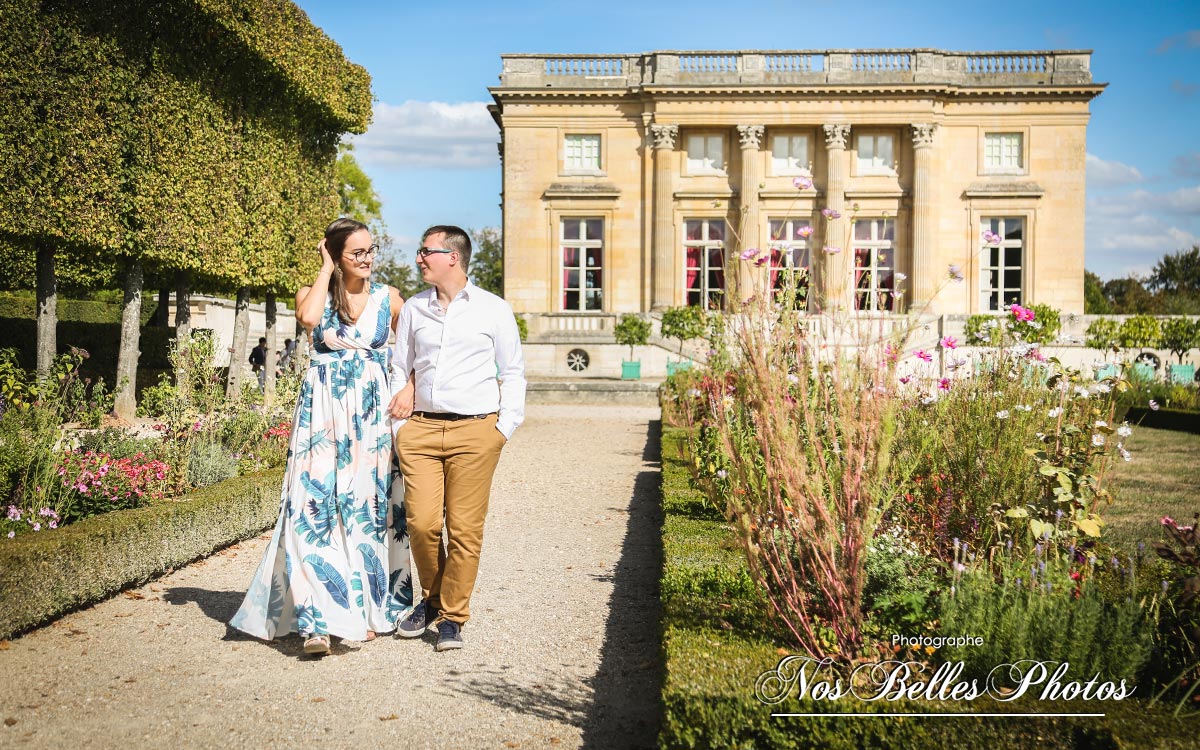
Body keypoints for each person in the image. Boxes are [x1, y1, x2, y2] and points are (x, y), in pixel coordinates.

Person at [231, 217, 415, 656]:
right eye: (357, 253)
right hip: (322, 415)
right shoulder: (312, 295)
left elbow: (414, 349)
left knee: (366, 509)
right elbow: (309, 319)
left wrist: (407, 386)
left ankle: (365, 610)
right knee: (310, 509)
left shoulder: (389, 299)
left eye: (371, 250)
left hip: (370, 417)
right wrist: (326, 267)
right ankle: (317, 620)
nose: (367, 259)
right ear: (336, 255)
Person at [388, 225, 526, 652]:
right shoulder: (414, 308)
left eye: (425, 251)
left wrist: (503, 429)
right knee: (422, 524)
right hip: (422, 431)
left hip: (476, 431)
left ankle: (452, 616)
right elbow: (399, 366)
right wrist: (401, 428)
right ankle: (432, 599)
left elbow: (514, 371)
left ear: (453, 257)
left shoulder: (493, 309)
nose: (418, 259)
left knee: (465, 531)